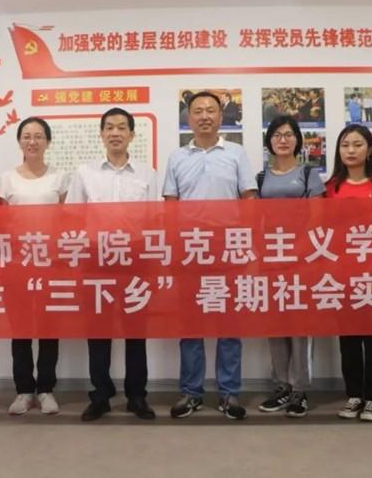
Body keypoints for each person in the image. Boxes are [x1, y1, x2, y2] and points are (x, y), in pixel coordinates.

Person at [163, 91, 257, 420]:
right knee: (190, 326)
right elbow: (170, 205)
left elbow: (249, 198)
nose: (204, 116)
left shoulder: (236, 153)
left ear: (220, 116)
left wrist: (246, 242)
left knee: (229, 325)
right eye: (198, 111)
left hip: (228, 249)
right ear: (189, 118)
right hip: (190, 251)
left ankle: (229, 393)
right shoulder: (177, 157)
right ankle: (191, 393)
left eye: (211, 111)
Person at [66, 107, 158, 422]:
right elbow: (72, 218)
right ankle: (101, 395)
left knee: (136, 331)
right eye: (109, 127)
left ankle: (137, 395)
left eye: (121, 127)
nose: (115, 133)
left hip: (135, 260)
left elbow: (154, 220)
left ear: (132, 134)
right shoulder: (85, 173)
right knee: (98, 331)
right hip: (96, 260)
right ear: (101, 134)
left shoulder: (147, 174)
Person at [256, 115, 325, 418]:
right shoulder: (261, 178)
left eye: (288, 134)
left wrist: (298, 250)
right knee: (275, 325)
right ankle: (282, 385)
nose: (282, 140)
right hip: (271, 260)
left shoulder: (308, 174)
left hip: (301, 260)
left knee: (300, 326)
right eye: (277, 135)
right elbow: (255, 220)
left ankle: (300, 389)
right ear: (269, 141)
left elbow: (317, 219)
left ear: (298, 140)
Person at [326, 124, 372, 422]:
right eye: (345, 145)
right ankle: (354, 394)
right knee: (349, 339)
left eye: (357, 144)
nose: (351, 150)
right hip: (342, 273)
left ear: (369, 150)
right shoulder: (331, 188)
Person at [0, 117, 68, 416]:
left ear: (47, 142)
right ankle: (24, 390)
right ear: (19, 142)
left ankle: (46, 389)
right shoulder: (7, 179)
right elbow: (1, 224)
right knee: (21, 329)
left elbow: (67, 221)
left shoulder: (60, 178)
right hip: (17, 264)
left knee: (49, 328)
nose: (32, 141)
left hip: (51, 264)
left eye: (38, 136)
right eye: (26, 136)